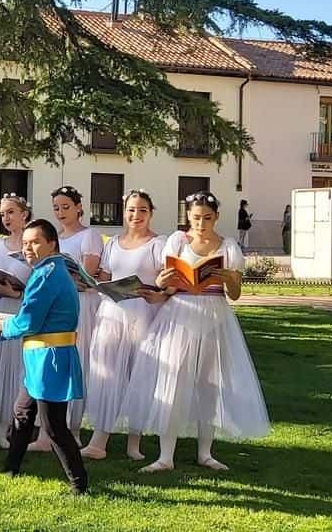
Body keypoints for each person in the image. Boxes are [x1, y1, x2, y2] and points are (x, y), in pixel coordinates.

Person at [123, 191, 269, 472]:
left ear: (216, 217)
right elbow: (167, 286)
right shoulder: (178, 241)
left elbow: (235, 295)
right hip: (180, 312)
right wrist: (164, 280)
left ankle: (205, 452)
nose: (201, 223)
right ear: (187, 215)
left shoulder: (227, 247)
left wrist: (229, 278)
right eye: (196, 217)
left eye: (207, 218)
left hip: (215, 315)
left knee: (210, 385)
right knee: (174, 380)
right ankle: (166, 455)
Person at [0, 219, 89, 495]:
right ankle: (11, 468)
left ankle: (79, 485)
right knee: (22, 412)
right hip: (42, 356)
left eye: (35, 242)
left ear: (51, 243)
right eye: (25, 243)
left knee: (54, 425)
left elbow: (29, 321)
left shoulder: (47, 275)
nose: (28, 248)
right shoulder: (53, 270)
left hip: (49, 359)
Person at [81, 190, 164, 461]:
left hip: (142, 313)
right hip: (112, 312)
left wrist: (159, 292)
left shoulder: (158, 244)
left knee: (137, 374)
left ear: (150, 213)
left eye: (142, 210)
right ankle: (99, 439)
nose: (136, 215)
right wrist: (99, 283)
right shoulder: (113, 243)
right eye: (131, 209)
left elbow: (166, 280)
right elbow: (104, 276)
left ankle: (134, 441)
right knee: (108, 373)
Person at [51, 184, 102, 439]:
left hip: (81, 304)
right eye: (56, 208)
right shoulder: (55, 239)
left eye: (65, 207)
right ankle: (55, 421)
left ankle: (75, 426)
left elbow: (88, 275)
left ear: (79, 207)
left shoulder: (89, 235)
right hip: (59, 305)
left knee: (78, 360)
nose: (60, 212)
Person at [0, 193, 33, 448]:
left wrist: (16, 292)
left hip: (20, 312)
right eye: (3, 214)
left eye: (11, 212)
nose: (6, 218)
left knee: (15, 371)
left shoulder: (31, 246)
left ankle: (10, 426)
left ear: (24, 214)